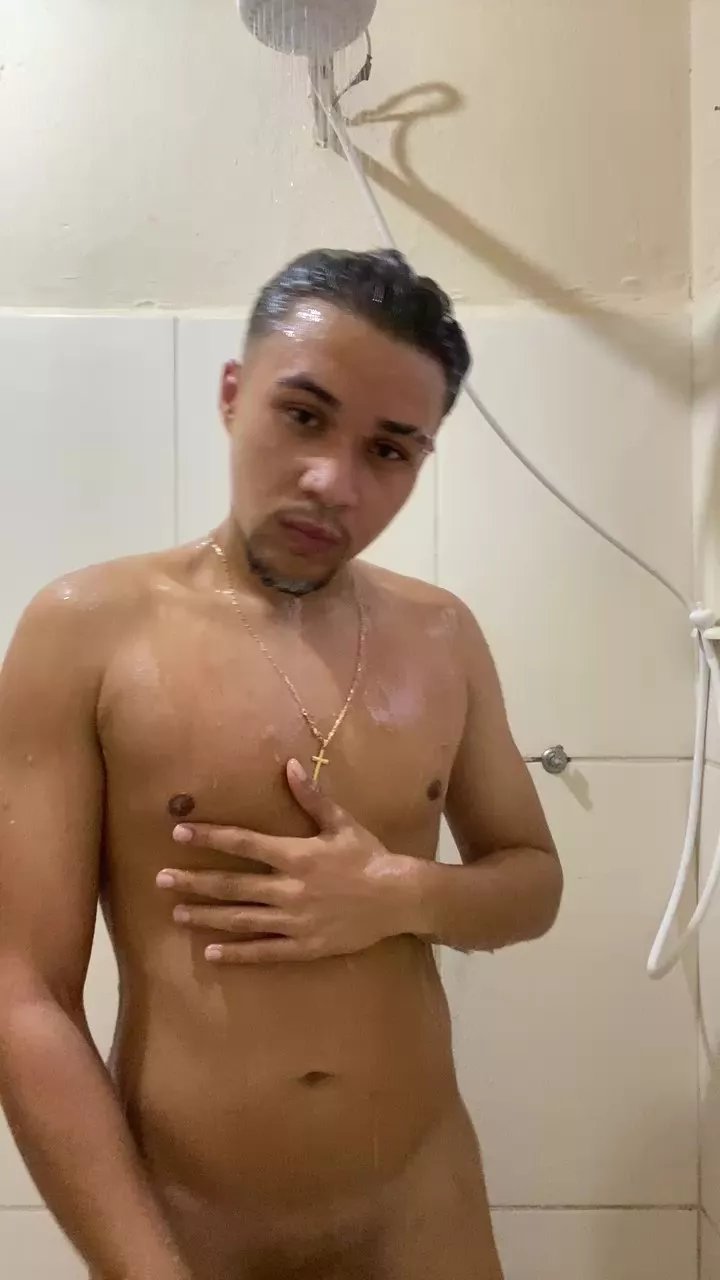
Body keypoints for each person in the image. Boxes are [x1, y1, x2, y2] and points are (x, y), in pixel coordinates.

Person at [0, 248, 562, 1280]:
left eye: (389, 449)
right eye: (304, 415)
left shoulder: (443, 637)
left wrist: (397, 894)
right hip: (191, 1218)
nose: (332, 482)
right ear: (232, 394)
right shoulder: (87, 631)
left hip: (421, 1200)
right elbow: (24, 992)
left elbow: (532, 883)